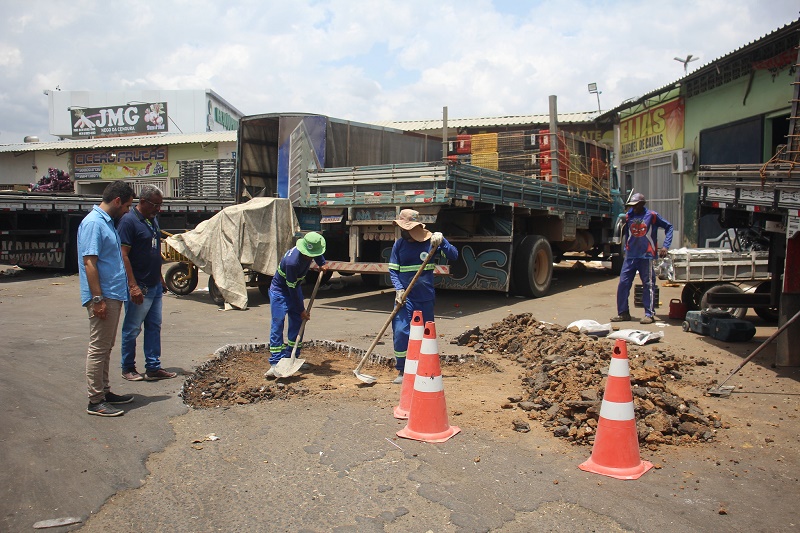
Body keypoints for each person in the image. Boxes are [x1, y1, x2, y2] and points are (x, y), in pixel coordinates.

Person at [78, 180, 136, 417]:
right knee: (98, 348)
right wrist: (98, 298)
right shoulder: (93, 223)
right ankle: (95, 400)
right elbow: (90, 263)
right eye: (127, 206)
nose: (127, 211)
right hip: (104, 296)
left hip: (113, 294)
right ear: (117, 201)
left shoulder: (107, 223)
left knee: (106, 347)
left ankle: (104, 391)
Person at [389, 209, 458, 384]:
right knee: (401, 331)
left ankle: (426, 366)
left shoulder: (431, 242)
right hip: (405, 297)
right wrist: (398, 289)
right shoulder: (399, 245)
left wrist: (443, 242)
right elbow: (393, 270)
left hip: (425, 297)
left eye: (406, 228)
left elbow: (454, 255)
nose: (403, 232)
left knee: (426, 334)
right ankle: (403, 370)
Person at [117, 185, 177, 381]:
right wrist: (132, 285)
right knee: (132, 328)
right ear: (142, 202)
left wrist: (160, 276)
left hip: (154, 285)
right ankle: (128, 367)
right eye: (155, 205)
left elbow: (153, 250)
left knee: (154, 326)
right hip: (139, 285)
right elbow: (123, 255)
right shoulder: (128, 222)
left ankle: (153, 367)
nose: (158, 209)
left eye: (160, 205)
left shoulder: (152, 220)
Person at [265, 232, 330, 377]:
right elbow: (291, 289)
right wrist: (301, 310)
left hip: (294, 287)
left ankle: (291, 357)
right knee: (278, 323)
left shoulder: (310, 252)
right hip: (281, 291)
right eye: (310, 254)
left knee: (297, 323)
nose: (311, 257)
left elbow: (317, 254)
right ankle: (276, 362)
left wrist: (322, 263)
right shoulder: (292, 262)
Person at [611, 193, 673, 324]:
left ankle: (649, 314)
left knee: (648, 284)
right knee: (623, 283)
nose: (634, 208)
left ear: (642, 204)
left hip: (647, 256)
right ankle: (623, 313)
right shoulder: (628, 216)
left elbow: (669, 227)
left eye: (636, 206)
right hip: (630, 255)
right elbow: (626, 234)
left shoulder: (652, 215)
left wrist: (665, 246)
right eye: (632, 206)